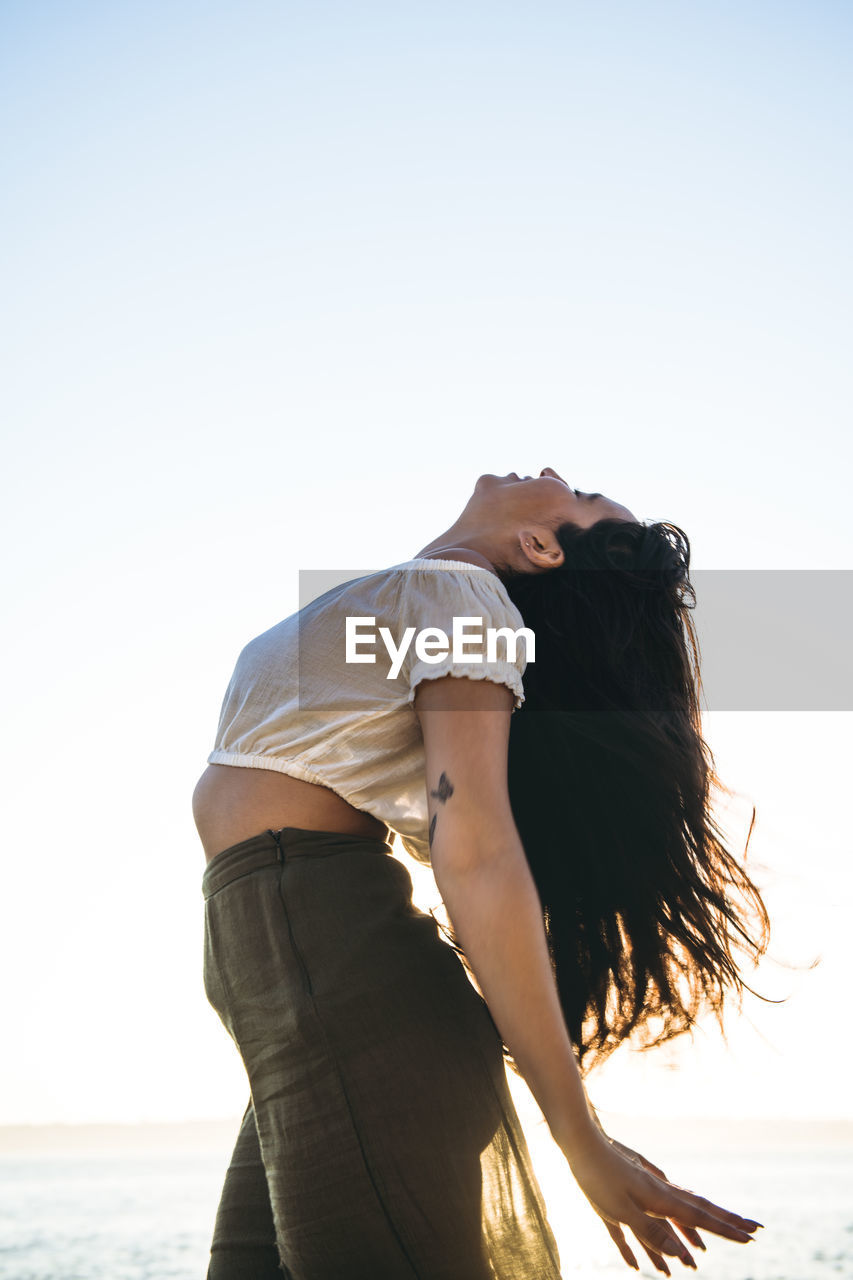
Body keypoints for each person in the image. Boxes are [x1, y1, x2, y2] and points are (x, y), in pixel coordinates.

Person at [193, 468, 769, 1279]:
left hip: (336, 971)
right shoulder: (423, 601)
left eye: (581, 499)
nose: (557, 476)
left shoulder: (466, 603)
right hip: (296, 986)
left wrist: (579, 1137)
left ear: (538, 547)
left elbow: (476, 851)